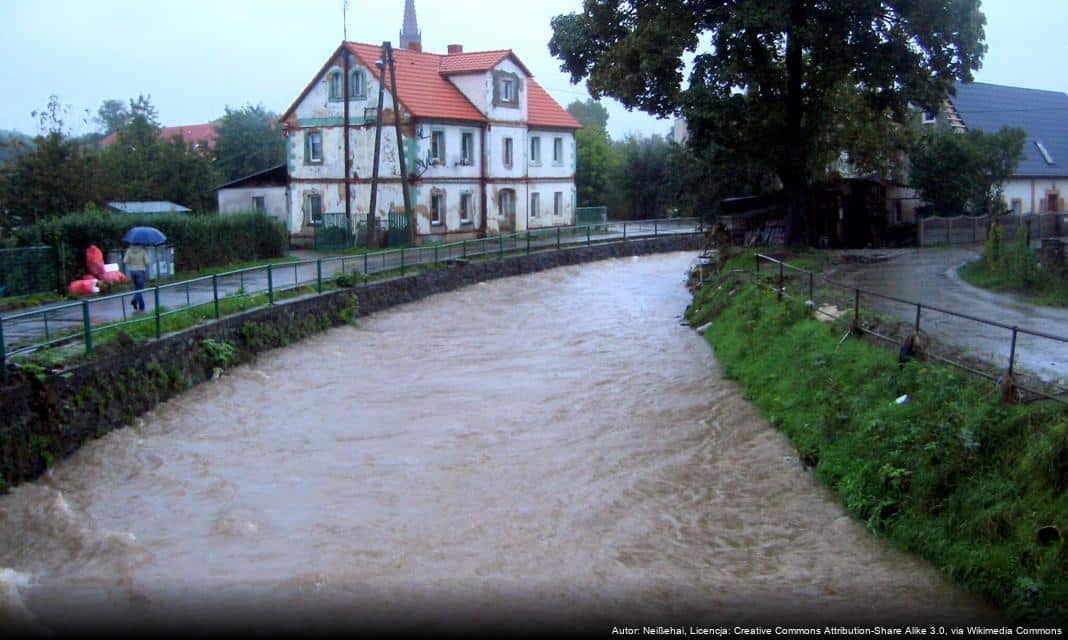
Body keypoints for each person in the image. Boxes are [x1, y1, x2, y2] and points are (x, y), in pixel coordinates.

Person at [123, 244, 149, 312]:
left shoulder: (129, 250)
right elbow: (147, 262)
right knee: (140, 290)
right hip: (140, 271)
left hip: (132, 272)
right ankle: (134, 300)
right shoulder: (143, 250)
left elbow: (125, 261)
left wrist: (131, 262)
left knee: (137, 289)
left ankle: (142, 307)